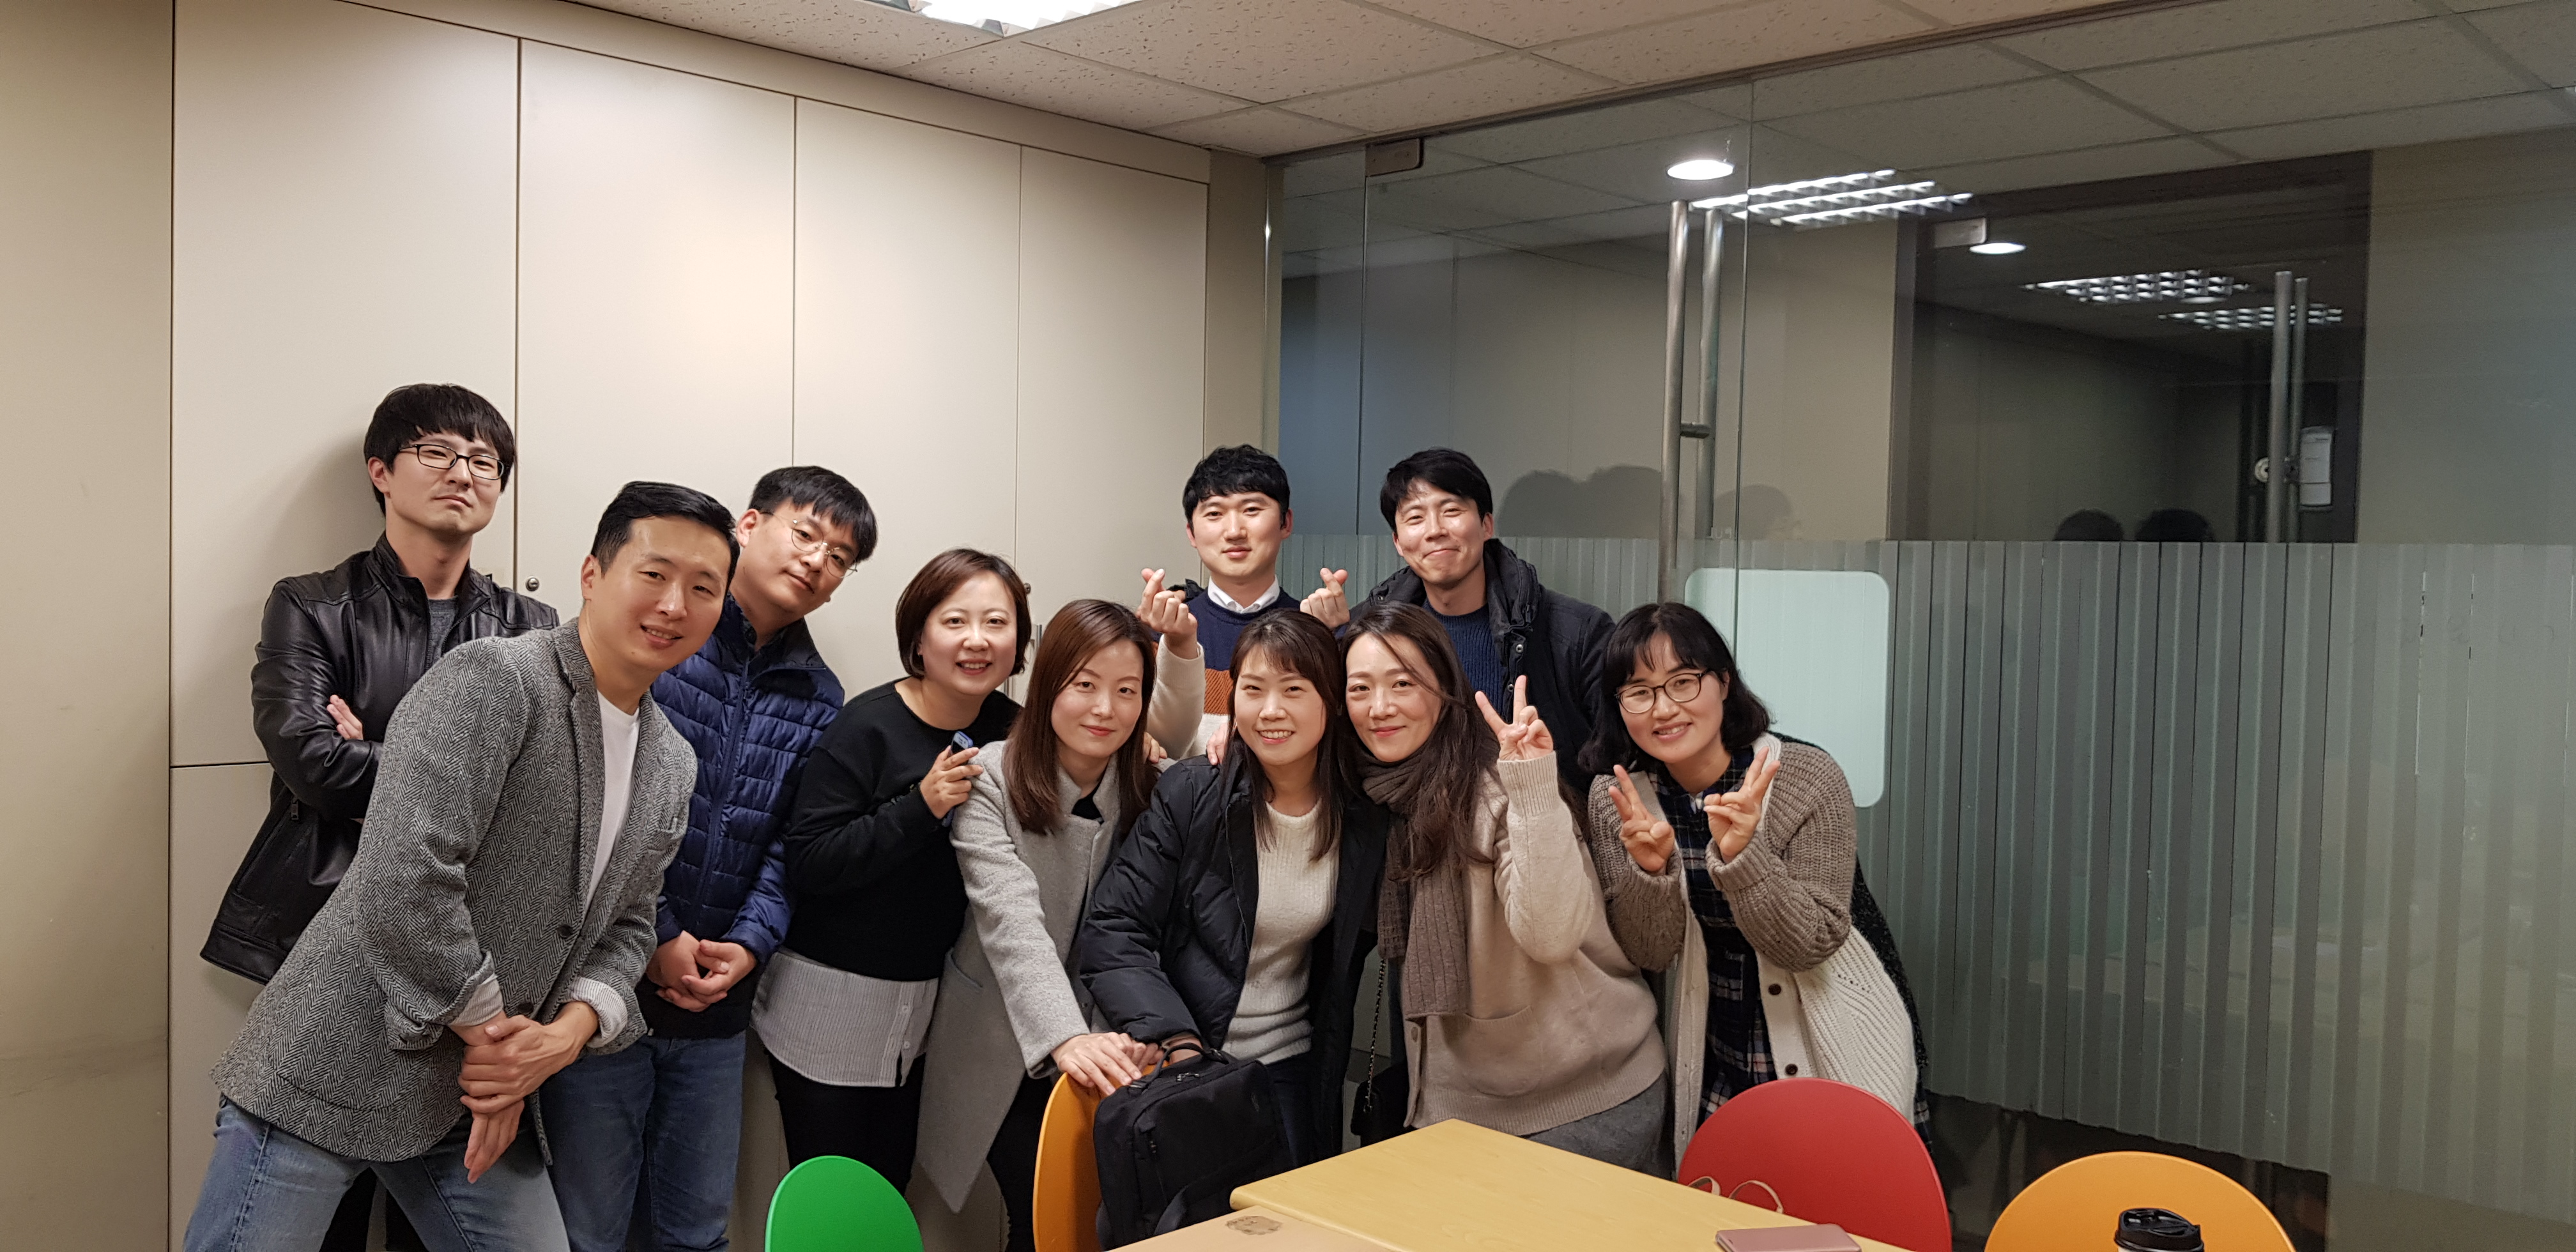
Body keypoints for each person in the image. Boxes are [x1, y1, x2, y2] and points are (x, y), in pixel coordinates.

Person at [184, 482, 744, 1252]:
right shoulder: (498, 678)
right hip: (341, 1051)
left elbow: (629, 925)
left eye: (704, 588)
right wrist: (498, 1042)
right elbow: (407, 875)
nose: (675, 604)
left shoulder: (672, 760)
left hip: (474, 1091)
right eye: (654, 574)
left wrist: (563, 1038)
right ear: (592, 574)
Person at [203, 383, 554, 1252]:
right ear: (381, 471)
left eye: (485, 461)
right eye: (437, 451)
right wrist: (458, 778)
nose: (463, 473)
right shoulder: (312, 605)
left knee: (432, 1222)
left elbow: (538, 799)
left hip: (460, 959)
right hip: (324, 944)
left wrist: (378, 746)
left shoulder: (533, 629)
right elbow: (310, 761)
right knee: (317, 1223)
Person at [765, 553, 1203, 1189]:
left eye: (996, 622)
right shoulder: (897, 735)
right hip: (847, 994)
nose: (977, 640)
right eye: (956, 621)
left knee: (898, 1182)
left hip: (937, 1007)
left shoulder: (1025, 730)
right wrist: (919, 807)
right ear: (919, 636)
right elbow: (1006, 914)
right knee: (838, 1187)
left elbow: (1157, 737)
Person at [540, 467, 877, 1252]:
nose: (817, 561)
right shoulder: (660, 639)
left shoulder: (820, 694)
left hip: (717, 1006)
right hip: (602, 981)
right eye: (805, 534)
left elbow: (794, 842)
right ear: (748, 527)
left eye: (839, 557)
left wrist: (750, 944)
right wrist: (657, 936)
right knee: (588, 1230)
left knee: (696, 1230)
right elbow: (594, 805)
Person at [1575, 602, 1927, 1165]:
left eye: (1683, 683)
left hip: (1830, 1022)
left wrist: (1743, 858)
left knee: (1841, 1191)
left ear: (1723, 683)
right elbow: (1650, 953)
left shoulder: (1804, 777)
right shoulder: (1618, 796)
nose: (1663, 709)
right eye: (1639, 691)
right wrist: (1651, 874)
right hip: (1713, 1036)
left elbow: (1809, 943)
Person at [1340, 601, 1666, 1172]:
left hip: (1580, 1104)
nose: (1380, 707)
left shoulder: (1498, 787)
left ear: (1445, 688)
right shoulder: (1383, 792)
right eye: (1360, 689)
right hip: (1468, 1106)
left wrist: (1533, 783)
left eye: (1403, 683)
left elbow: (1550, 936)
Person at [1080, 609, 1390, 1169]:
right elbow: (1114, 929)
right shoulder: (1193, 793)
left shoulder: (1362, 813)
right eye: (1253, 689)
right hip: (1189, 1065)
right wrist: (1177, 1039)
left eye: (1293, 690)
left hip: (1295, 1067)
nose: (1271, 711)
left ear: (1332, 700)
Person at [915, 600, 1169, 1251]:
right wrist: (1065, 1035)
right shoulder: (990, 778)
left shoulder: (1153, 785)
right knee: (1042, 1218)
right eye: (1084, 684)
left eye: (1127, 691)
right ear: (1049, 682)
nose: (1104, 709)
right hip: (1003, 1034)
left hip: (1111, 1042)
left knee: (1091, 1220)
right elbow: (1011, 919)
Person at [1308, 448, 1612, 791]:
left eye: (1451, 511)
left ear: (1486, 525)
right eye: (1415, 518)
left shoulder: (1577, 633)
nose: (1435, 531)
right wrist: (1324, 641)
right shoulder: (1366, 634)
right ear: (1398, 542)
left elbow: (1615, 760)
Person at [1147, 445, 1307, 753]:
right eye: (1214, 514)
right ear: (1192, 533)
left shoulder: (1317, 630)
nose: (1234, 531)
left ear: (1285, 523)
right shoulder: (1158, 635)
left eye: (1252, 510)